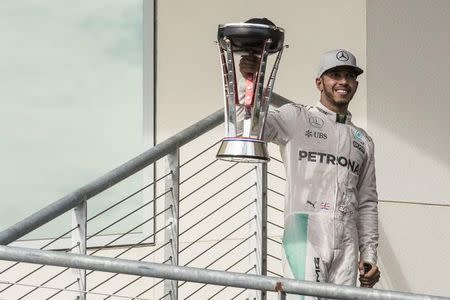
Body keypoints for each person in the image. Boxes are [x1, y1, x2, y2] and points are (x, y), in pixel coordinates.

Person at [238, 19, 381, 296]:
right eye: (335, 75)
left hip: (347, 236)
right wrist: (251, 82)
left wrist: (370, 253)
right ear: (319, 82)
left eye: (350, 76)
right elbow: (251, 127)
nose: (343, 82)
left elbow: (367, 201)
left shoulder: (363, 140)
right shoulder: (297, 117)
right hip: (305, 230)